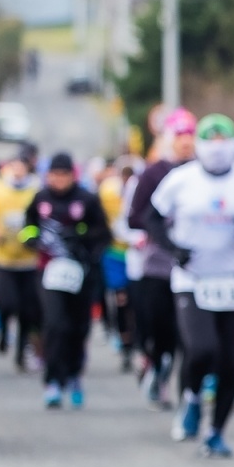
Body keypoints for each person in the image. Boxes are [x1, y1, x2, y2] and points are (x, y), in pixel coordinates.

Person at [145, 115, 234, 458]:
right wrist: (172, 248)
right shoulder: (180, 180)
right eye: (210, 138)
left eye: (224, 138)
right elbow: (151, 219)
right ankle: (192, 397)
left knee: (230, 362)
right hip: (193, 280)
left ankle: (217, 431)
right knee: (201, 348)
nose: (218, 145)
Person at [22, 153, 109, 408]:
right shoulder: (41, 198)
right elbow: (29, 225)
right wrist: (31, 239)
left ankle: (74, 374)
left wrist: (82, 240)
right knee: (54, 324)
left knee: (78, 327)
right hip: (49, 271)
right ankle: (52, 380)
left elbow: (103, 233)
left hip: (81, 272)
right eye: (55, 175)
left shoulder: (87, 199)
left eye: (64, 175)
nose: (59, 180)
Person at [128, 107, 198, 407]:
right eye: (179, 136)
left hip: (194, 265)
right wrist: (160, 229)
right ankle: (157, 366)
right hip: (158, 265)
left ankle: (190, 387)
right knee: (160, 328)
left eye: (190, 136)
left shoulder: (202, 172)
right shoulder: (153, 174)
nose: (185, 142)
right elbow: (136, 217)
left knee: (190, 333)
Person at [0, 153, 42, 372]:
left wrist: (33, 237)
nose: (17, 171)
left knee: (28, 310)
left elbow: (39, 218)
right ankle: (4, 330)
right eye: (13, 166)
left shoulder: (36, 189)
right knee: (6, 302)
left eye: (21, 167)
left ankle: (20, 353)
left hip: (29, 260)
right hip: (3, 258)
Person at [97, 154, 139, 372]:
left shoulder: (144, 190)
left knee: (136, 302)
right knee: (120, 299)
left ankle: (137, 341)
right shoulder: (107, 191)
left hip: (140, 256)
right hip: (115, 254)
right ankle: (125, 345)